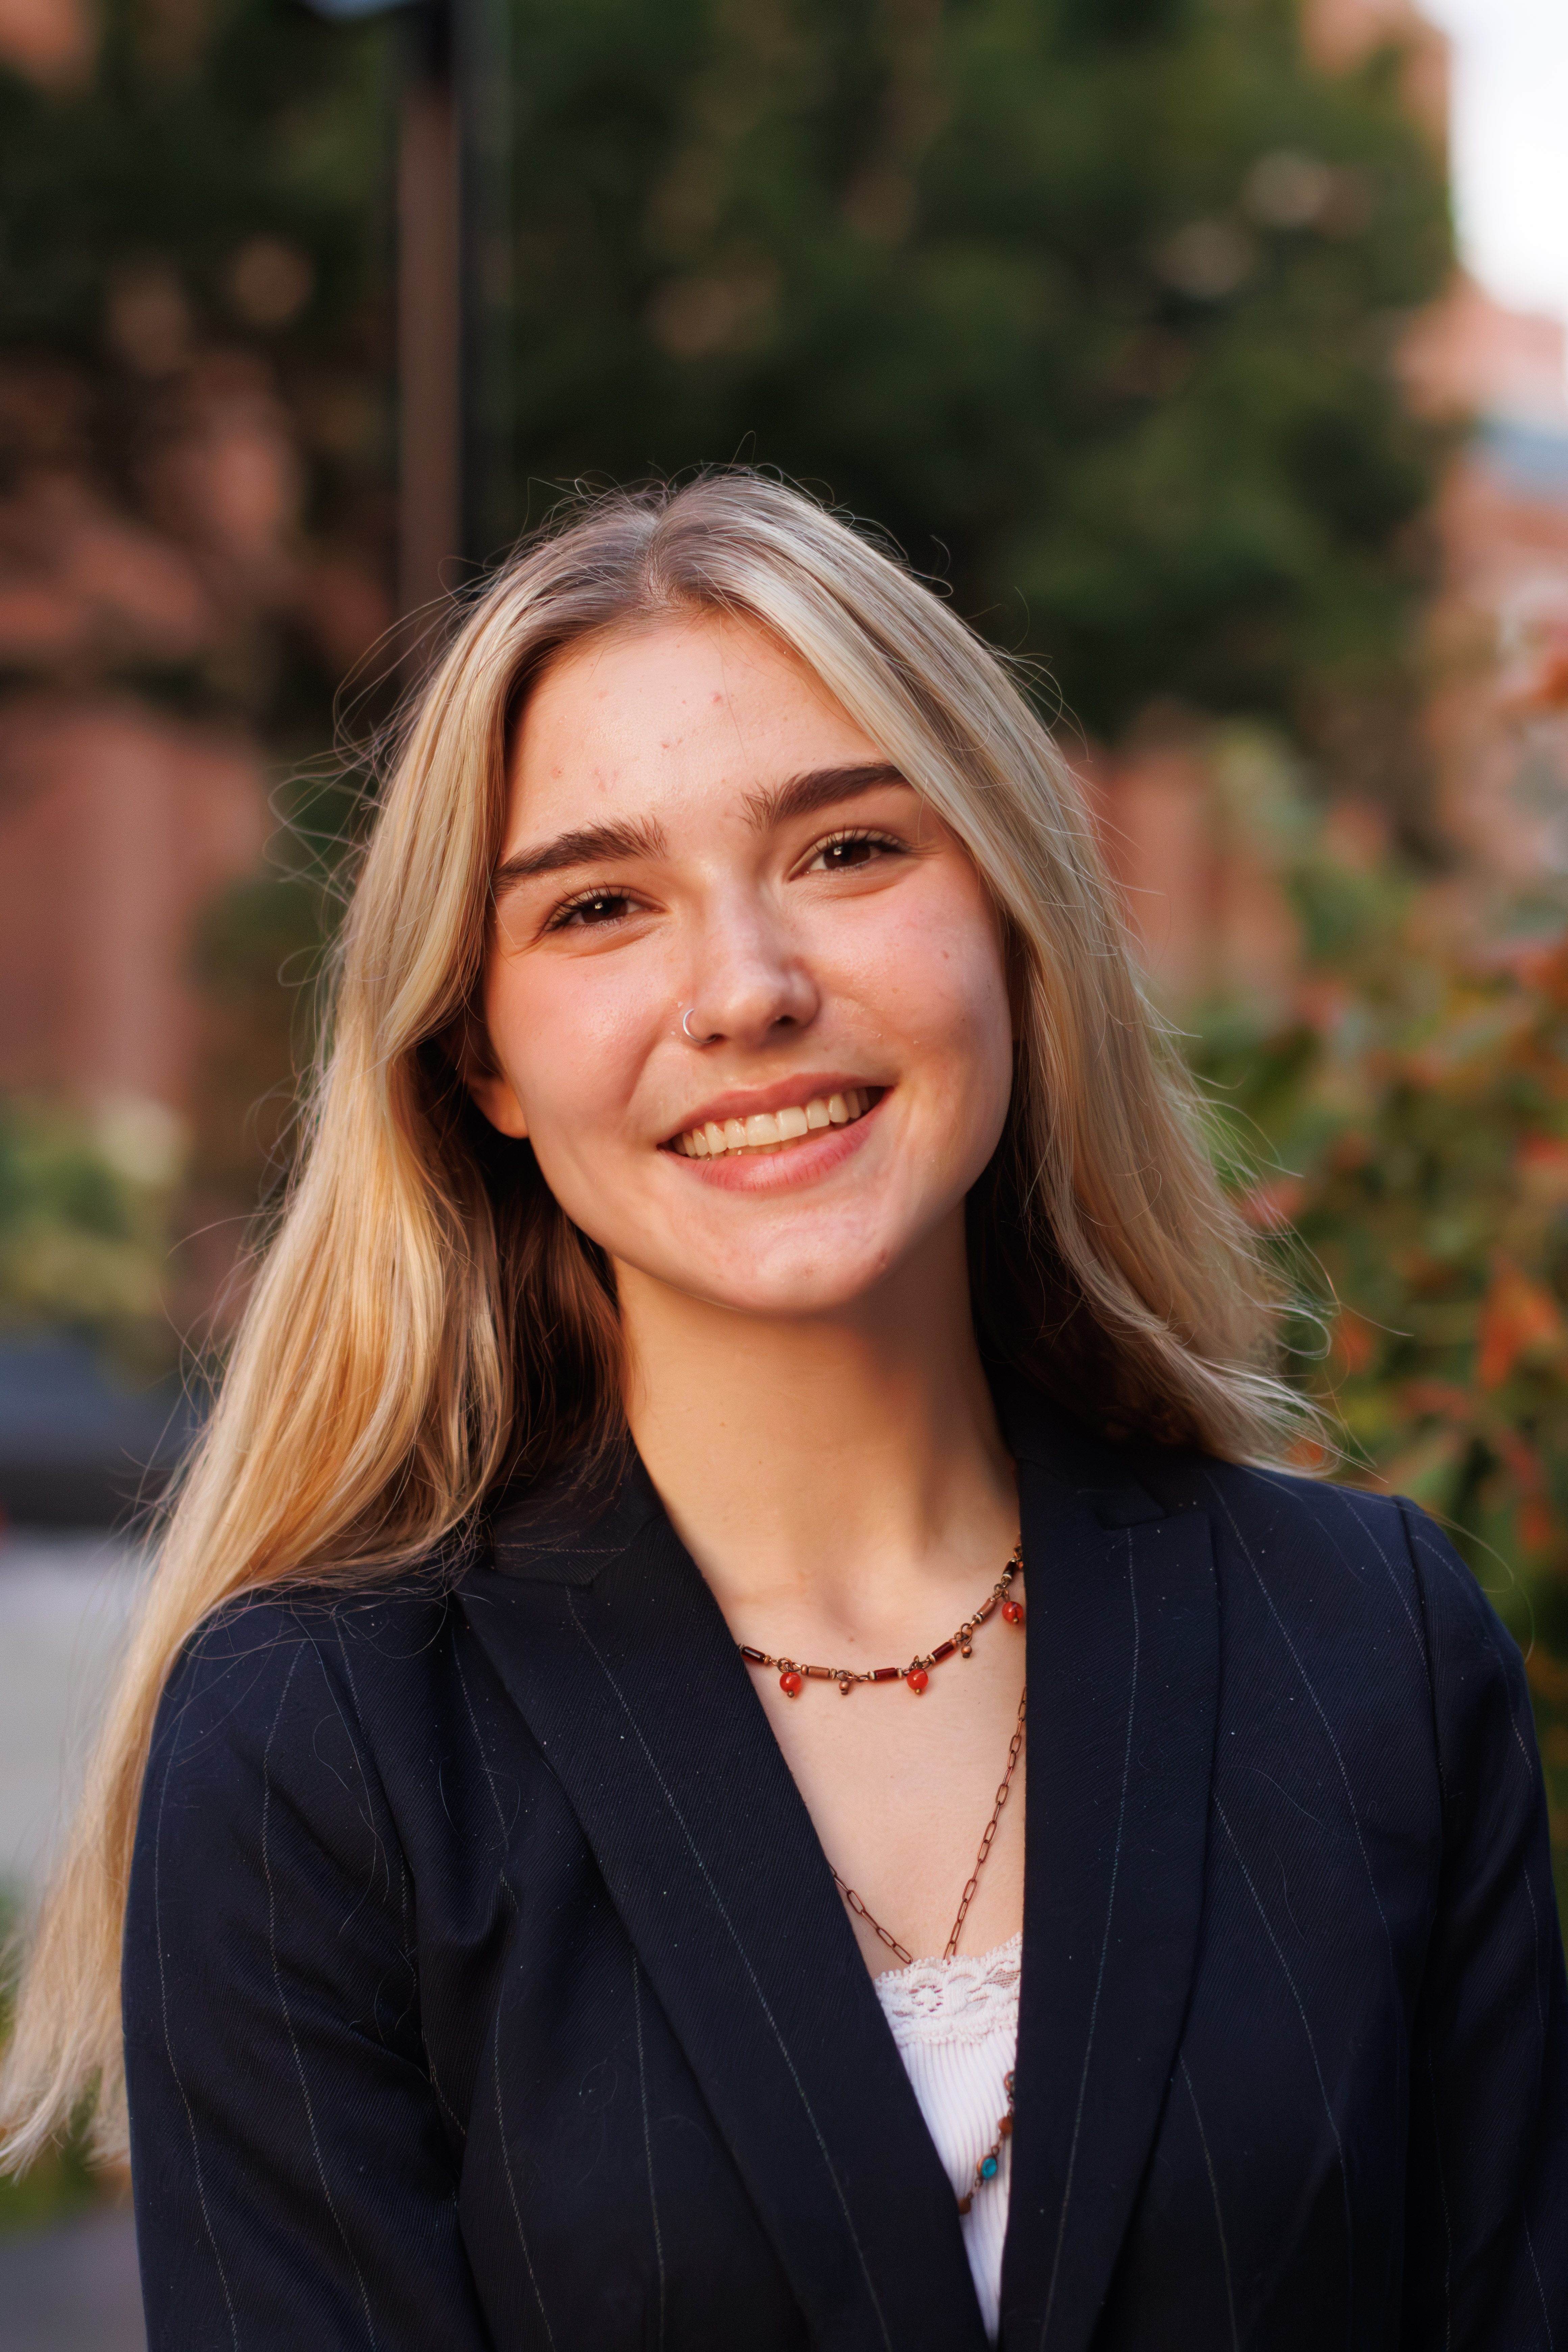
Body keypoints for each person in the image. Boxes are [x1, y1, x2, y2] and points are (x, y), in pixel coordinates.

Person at [3, 473, 1564, 2350]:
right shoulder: (325, 1757)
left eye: (847, 852)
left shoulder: (1373, 1651)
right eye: (597, 906)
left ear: (1008, 908)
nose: (746, 989)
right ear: (480, 1054)